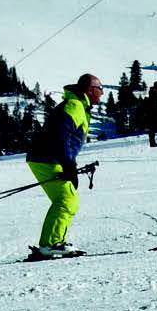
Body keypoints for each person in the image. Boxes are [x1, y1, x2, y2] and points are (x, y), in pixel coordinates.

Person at [24, 75, 101, 255]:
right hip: (47, 158)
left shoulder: (77, 104)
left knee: (66, 199)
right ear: (90, 89)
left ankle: (51, 243)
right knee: (66, 200)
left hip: (45, 157)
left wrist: (69, 165)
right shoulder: (75, 105)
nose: (102, 93)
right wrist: (68, 166)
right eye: (100, 88)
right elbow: (61, 136)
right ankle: (51, 244)